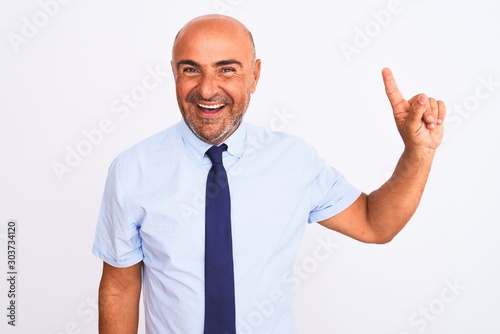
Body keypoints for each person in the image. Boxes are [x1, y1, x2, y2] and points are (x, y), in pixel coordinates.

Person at [93, 14, 446, 334]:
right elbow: (120, 285)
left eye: (226, 69)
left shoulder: (293, 160)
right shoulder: (132, 171)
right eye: (191, 69)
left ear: (255, 75)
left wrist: (418, 152)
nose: (206, 89)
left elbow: (374, 223)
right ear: (174, 72)